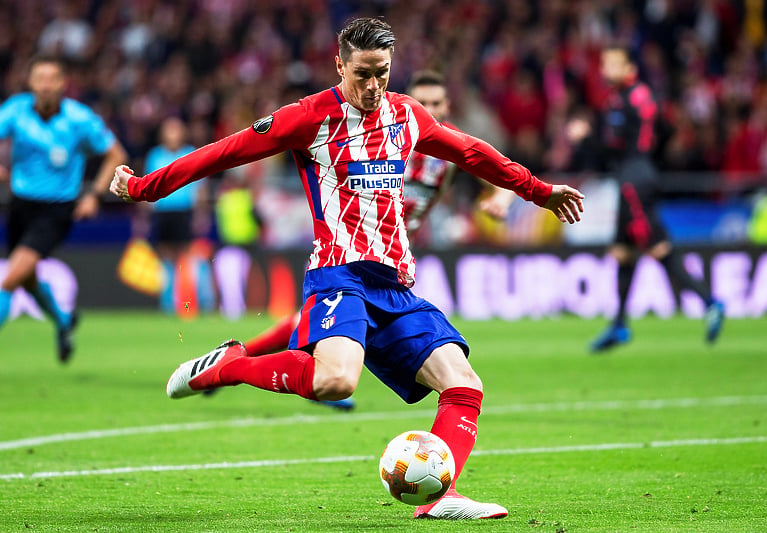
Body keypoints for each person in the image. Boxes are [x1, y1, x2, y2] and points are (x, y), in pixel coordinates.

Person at [110, 18, 583, 519]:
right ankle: (230, 366)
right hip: (338, 274)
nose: (374, 86)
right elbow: (223, 153)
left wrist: (538, 190)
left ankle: (440, 497)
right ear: (339, 64)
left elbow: (470, 152)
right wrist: (146, 188)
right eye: (362, 74)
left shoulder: (407, 115)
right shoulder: (307, 117)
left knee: (465, 386)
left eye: (382, 73)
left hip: (395, 285)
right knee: (336, 382)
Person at [240, 70, 515, 411]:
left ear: (447, 106)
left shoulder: (447, 147)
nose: (430, 108)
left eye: (437, 103)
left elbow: (497, 177)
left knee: (321, 322)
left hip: (394, 256)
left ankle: (244, 361)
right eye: (423, 102)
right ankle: (246, 362)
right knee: (323, 320)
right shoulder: (385, 134)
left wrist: (501, 200)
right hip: (351, 249)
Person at [575, 47, 724, 353]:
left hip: (633, 183)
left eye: (612, 63)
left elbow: (614, 149)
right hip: (637, 176)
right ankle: (618, 324)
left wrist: (585, 138)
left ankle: (711, 302)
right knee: (621, 252)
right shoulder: (638, 97)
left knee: (657, 247)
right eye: (604, 63)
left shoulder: (626, 101)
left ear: (629, 66)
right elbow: (665, 132)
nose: (605, 69)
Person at [0, 54, 127, 362]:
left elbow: (115, 154)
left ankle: (61, 322)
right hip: (20, 206)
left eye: (51, 79)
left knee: (10, 279)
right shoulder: (15, 110)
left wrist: (94, 195)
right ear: (30, 82)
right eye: (39, 79)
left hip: (56, 210)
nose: (45, 85)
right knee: (27, 281)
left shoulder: (79, 118)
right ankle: (64, 321)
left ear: (62, 84)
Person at [143, 117, 211, 314]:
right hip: (163, 213)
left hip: (185, 212)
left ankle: (202, 301)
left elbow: (201, 188)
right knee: (166, 257)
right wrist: (145, 216)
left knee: (190, 256)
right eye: (169, 130)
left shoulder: (190, 153)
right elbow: (148, 187)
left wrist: (201, 213)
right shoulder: (154, 156)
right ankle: (168, 304)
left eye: (176, 130)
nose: (172, 135)